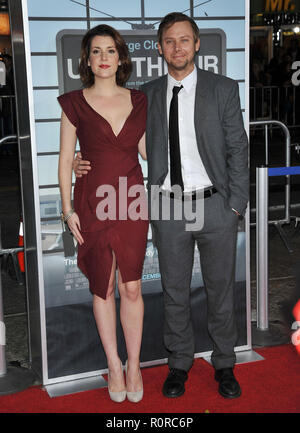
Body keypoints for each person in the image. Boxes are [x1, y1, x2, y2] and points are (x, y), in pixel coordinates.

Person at [74, 13, 249, 399]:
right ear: (159, 48)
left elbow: (239, 146)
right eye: (169, 41)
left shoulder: (223, 88)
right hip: (168, 208)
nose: (178, 48)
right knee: (174, 292)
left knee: (221, 291)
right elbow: (115, 138)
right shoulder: (145, 95)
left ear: (197, 44)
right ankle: (179, 364)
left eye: (184, 40)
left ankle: (224, 364)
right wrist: (79, 159)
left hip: (215, 205)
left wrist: (236, 204)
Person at [58, 24, 148, 403]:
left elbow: (148, 151)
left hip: (132, 202)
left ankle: (134, 364)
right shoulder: (73, 102)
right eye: (96, 51)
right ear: (87, 60)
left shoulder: (141, 101)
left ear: (121, 57)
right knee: (104, 284)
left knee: (131, 285)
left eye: (110, 50)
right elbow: (65, 161)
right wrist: (67, 210)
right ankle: (113, 363)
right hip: (92, 203)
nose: (104, 57)